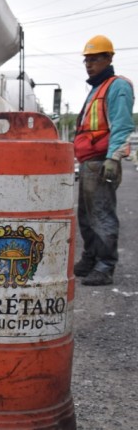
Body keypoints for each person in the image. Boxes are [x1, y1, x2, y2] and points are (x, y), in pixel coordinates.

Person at [73, 35, 134, 286]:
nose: (89, 64)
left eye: (95, 59)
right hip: (90, 161)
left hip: (101, 160)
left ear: (109, 58)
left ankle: (105, 266)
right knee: (86, 216)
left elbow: (122, 125)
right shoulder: (98, 88)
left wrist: (113, 158)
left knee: (101, 214)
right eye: (87, 60)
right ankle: (91, 258)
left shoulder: (117, 86)